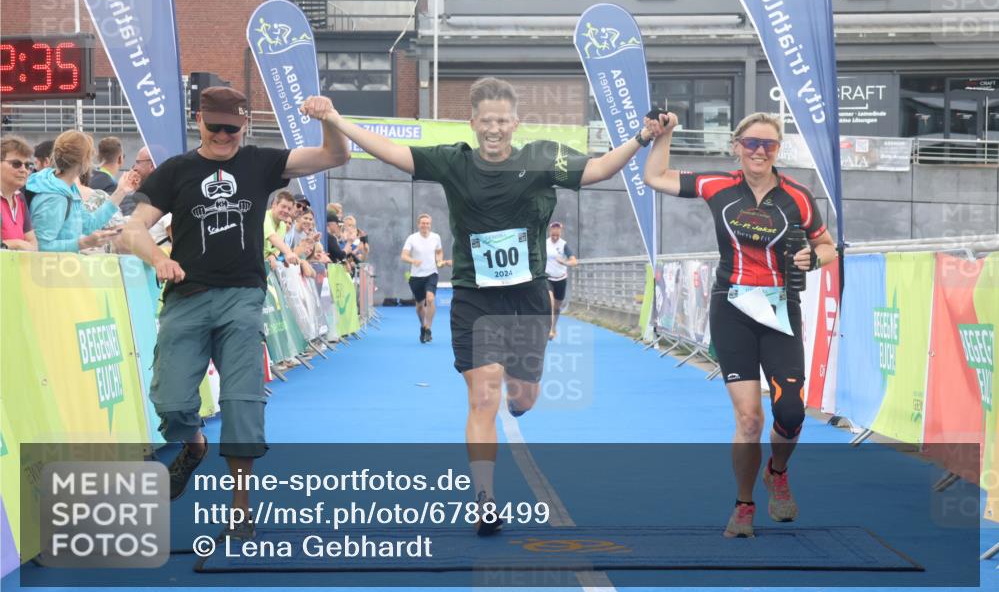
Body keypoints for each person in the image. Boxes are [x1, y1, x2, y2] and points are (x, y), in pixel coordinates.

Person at [321, 76, 670, 535]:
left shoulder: (542, 157)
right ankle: (484, 499)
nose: (494, 129)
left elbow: (602, 168)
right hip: (475, 295)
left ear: (515, 123)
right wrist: (336, 119)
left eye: (502, 121)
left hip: (527, 296)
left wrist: (643, 137)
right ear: (473, 122)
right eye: (486, 120)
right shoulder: (454, 161)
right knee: (482, 396)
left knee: (523, 397)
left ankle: (517, 391)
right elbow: (390, 151)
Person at [119, 86, 351, 541]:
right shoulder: (176, 171)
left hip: (243, 297)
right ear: (198, 121)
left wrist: (329, 117)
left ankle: (240, 511)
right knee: (171, 403)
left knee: (242, 403)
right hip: (186, 297)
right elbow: (133, 228)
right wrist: (158, 258)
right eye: (215, 127)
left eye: (233, 128)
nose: (224, 136)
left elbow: (335, 155)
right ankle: (194, 446)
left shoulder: (261, 162)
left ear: (245, 125)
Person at [643, 111, 838, 539]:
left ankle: (777, 472)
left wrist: (813, 258)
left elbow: (828, 246)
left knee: (791, 411)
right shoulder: (718, 185)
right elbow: (654, 176)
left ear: (778, 150)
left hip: (780, 309)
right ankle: (744, 505)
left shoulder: (799, 197)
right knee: (749, 419)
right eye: (751, 143)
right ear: (736, 146)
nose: (759, 151)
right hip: (731, 308)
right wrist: (665, 135)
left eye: (769, 144)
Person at [26, 130, 138, 252]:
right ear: (84, 161)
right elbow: (41, 247)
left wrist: (121, 191)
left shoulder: (69, 190)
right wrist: (82, 243)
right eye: (90, 157)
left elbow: (89, 224)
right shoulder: (54, 197)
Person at [401, 213, 451, 343]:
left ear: (430, 224)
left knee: (430, 299)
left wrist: (439, 260)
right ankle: (423, 326)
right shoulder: (412, 238)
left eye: (427, 223)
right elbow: (404, 256)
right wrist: (413, 261)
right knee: (419, 306)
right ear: (418, 225)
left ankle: (428, 328)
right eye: (423, 223)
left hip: (431, 274)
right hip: (416, 277)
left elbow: (439, 251)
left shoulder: (436, 237)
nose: (425, 225)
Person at [1, 136, 38, 250]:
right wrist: (17, 244)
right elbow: (27, 245)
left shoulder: (19, 198)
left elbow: (33, 244)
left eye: (27, 165)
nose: (24, 170)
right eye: (16, 164)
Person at [544, 221, 576, 340]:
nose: (555, 237)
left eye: (557, 235)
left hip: (561, 279)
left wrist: (564, 262)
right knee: (550, 303)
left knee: (557, 307)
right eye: (553, 234)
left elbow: (574, 261)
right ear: (550, 231)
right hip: (548, 278)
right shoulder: (544, 244)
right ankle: (549, 330)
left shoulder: (563, 245)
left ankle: (553, 328)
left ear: (560, 232)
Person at [264, 190, 304, 273]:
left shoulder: (283, 225)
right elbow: (272, 237)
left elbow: (277, 248)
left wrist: (273, 256)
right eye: (283, 206)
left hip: (262, 266)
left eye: (289, 209)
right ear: (274, 204)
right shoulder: (264, 217)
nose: (286, 211)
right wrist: (289, 253)